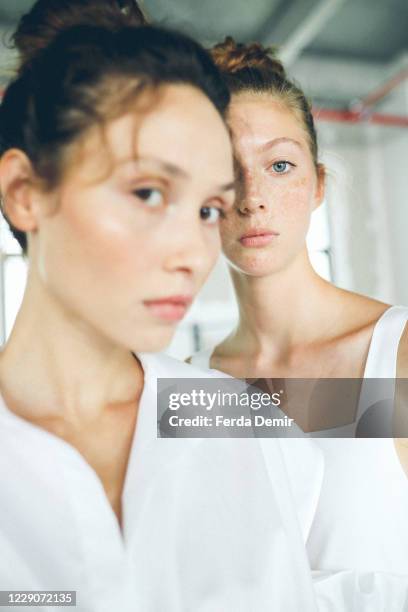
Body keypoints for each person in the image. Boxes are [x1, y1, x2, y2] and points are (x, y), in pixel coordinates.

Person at [0, 3, 327, 611]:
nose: (192, 254)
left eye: (207, 209)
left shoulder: (251, 429)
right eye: (149, 192)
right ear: (25, 193)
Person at [189, 37, 408, 581]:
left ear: (317, 186)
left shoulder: (395, 352)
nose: (253, 196)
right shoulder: (192, 383)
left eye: (280, 165)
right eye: (226, 168)